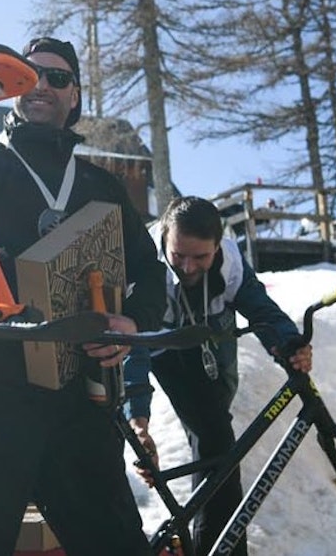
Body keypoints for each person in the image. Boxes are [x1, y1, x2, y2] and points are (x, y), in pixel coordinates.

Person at [0, 36, 167, 555]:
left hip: (82, 402)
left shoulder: (102, 186)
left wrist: (133, 321)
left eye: (57, 77)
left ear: (75, 97)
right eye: (28, 75)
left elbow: (150, 272)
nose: (42, 84)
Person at [124, 196, 313, 556]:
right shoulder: (146, 264)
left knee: (217, 441)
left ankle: (218, 547)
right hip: (156, 341)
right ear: (165, 237)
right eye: (179, 255)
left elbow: (263, 312)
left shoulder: (231, 265)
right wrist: (139, 420)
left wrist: (290, 345)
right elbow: (134, 348)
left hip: (209, 342)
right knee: (121, 427)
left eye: (201, 257)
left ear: (217, 246)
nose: (188, 266)